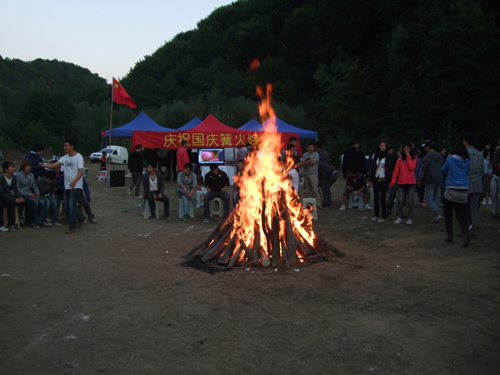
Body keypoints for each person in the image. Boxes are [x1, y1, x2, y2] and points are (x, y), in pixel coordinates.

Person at [42, 139, 85, 234]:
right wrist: (44, 165)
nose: (64, 147)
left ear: (72, 146)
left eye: (66, 145)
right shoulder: (65, 157)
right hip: (67, 186)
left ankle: (72, 226)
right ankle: (80, 217)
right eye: (64, 146)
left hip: (76, 185)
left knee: (72, 205)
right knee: (67, 207)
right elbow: (54, 165)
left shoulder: (78, 157)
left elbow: (81, 171)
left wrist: (74, 181)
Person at [441, 142, 471, 246]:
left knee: (448, 214)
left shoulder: (450, 159)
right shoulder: (467, 161)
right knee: (461, 215)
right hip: (463, 189)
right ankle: (466, 233)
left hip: (451, 188)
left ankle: (449, 235)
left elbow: (443, 170)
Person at [389, 143, 417, 225]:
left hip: (411, 183)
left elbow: (412, 167)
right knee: (400, 200)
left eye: (408, 149)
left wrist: (408, 156)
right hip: (401, 183)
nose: (407, 150)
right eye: (405, 149)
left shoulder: (414, 158)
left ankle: (410, 218)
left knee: (410, 201)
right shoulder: (399, 159)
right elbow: (396, 171)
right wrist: (393, 182)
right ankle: (399, 217)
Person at [15, 160, 47, 228]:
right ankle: (31, 222)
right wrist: (29, 194)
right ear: (23, 167)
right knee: (34, 202)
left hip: (30, 193)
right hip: (22, 194)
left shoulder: (31, 175)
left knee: (42, 202)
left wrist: (37, 193)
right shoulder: (18, 175)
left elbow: (34, 186)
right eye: (26, 166)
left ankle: (39, 221)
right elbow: (17, 189)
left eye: (29, 166)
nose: (28, 168)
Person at [463, 133, 483, 238]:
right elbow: (481, 169)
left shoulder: (464, 153)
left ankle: (464, 228)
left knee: (463, 207)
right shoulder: (479, 154)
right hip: (477, 181)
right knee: (474, 208)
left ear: (466, 141)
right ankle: (474, 228)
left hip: (466, 181)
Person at [419, 141, 444, 222]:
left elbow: (423, 170)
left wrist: (420, 179)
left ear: (427, 147)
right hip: (439, 178)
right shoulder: (439, 156)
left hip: (430, 179)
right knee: (436, 197)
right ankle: (435, 215)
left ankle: (436, 213)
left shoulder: (427, 157)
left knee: (428, 198)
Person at [0, 161, 25, 232]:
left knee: (12, 203)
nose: (14, 169)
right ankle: (0, 225)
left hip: (8, 197)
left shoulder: (14, 178)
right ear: (6, 169)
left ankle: (11, 224)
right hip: (1, 197)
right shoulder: (1, 178)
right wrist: (14, 199)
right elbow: (1, 193)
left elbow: (15, 190)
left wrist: (20, 197)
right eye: (11, 167)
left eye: (14, 167)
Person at [368, 140, 390, 222]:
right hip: (376, 179)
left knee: (383, 198)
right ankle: (376, 214)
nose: (383, 147)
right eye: (381, 146)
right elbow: (372, 167)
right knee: (376, 197)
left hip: (384, 179)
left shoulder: (388, 156)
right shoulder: (375, 156)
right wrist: (370, 178)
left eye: (384, 146)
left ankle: (383, 215)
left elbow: (389, 169)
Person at [298, 142, 322, 209]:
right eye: (309, 147)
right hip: (306, 173)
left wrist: (306, 163)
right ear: (307, 148)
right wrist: (307, 163)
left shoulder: (316, 154)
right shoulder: (305, 154)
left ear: (314, 148)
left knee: (315, 189)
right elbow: (302, 163)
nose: (310, 148)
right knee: (308, 190)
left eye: (311, 147)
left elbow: (313, 162)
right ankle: (309, 204)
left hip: (313, 173)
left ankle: (318, 204)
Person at [385, 144, 399, 216]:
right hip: (393, 177)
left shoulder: (392, 156)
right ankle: (389, 209)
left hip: (394, 177)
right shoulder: (394, 156)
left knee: (392, 194)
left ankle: (389, 209)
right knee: (392, 194)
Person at [490, 146, 500, 219]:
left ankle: (496, 211)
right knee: (493, 195)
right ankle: (495, 211)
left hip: (497, 174)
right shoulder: (497, 151)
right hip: (495, 175)